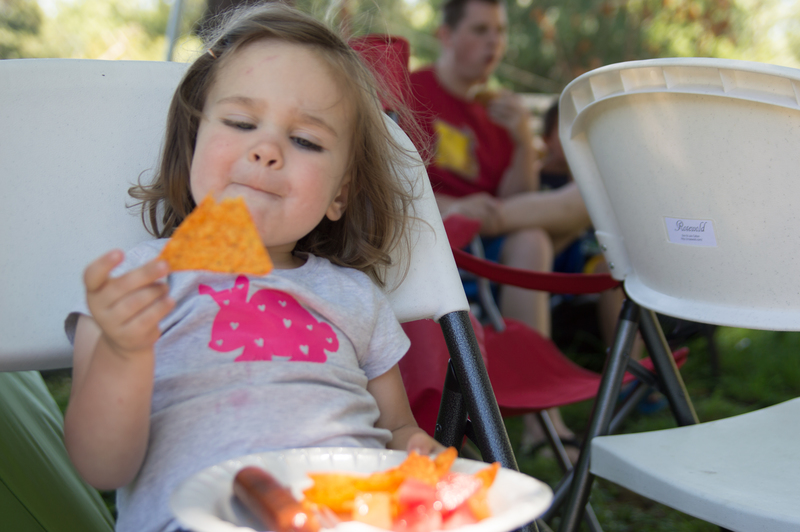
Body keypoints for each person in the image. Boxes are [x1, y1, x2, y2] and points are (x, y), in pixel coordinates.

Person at [62, 4, 443, 532]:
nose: (266, 150)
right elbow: (101, 468)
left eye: (306, 140)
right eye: (241, 123)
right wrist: (124, 351)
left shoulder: (355, 297)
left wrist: (414, 449)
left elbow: (396, 426)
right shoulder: (137, 285)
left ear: (340, 193)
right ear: (193, 142)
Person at [406, 0, 592, 456]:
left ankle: (539, 425)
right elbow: (395, 183)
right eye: (480, 29)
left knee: (544, 223)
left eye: (500, 31)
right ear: (447, 36)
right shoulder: (412, 91)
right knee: (543, 224)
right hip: (436, 237)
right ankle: (542, 424)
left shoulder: (496, 109)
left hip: (492, 234)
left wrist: (520, 142)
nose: (494, 42)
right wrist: (457, 205)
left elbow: (517, 197)